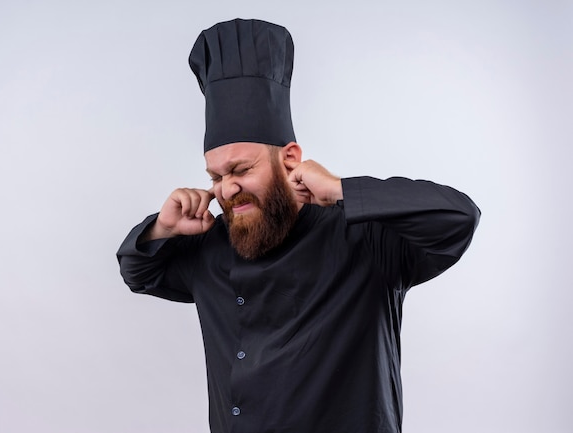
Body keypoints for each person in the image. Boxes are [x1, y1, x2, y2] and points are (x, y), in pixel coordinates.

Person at [117, 18, 480, 433]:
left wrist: (343, 190)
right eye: (216, 177)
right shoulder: (210, 246)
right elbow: (138, 272)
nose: (227, 188)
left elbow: (458, 219)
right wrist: (162, 229)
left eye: (240, 169)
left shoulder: (364, 237)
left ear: (290, 157)